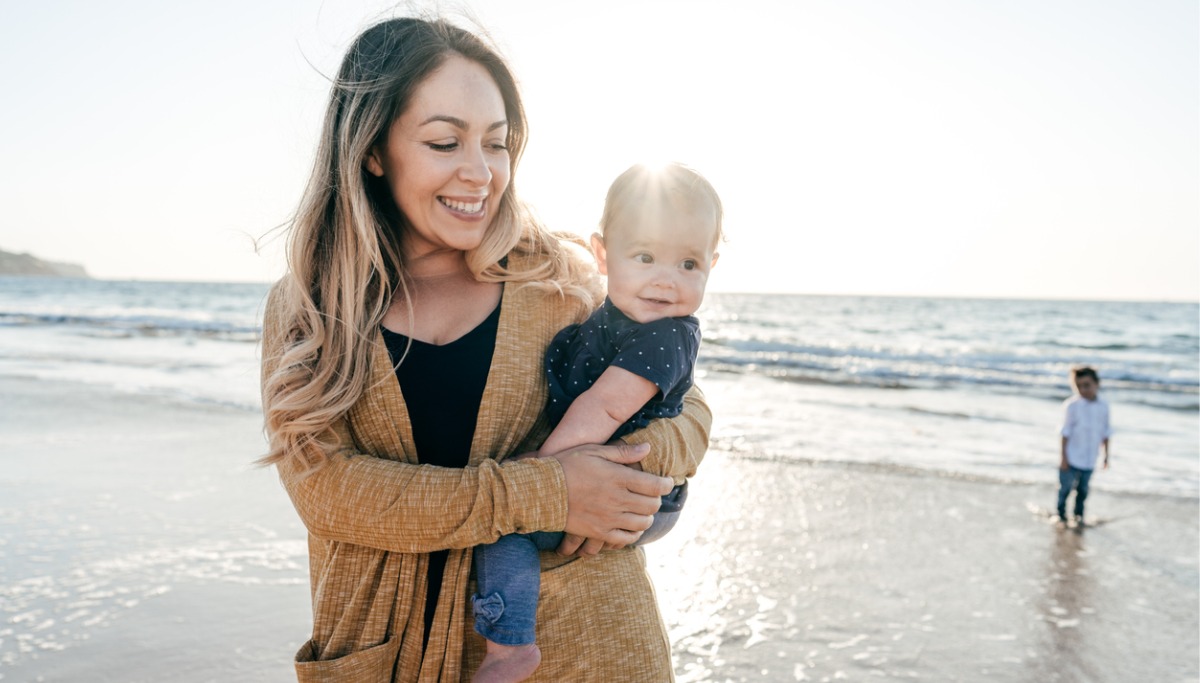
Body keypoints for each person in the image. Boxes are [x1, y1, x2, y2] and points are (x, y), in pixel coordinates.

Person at [258, 14, 711, 683]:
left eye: (496, 145)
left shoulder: (560, 279)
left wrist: (620, 479)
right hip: (390, 655)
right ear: (373, 150)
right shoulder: (311, 308)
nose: (480, 173)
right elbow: (328, 492)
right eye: (445, 142)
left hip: (589, 648)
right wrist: (549, 490)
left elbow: (691, 414)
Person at [471, 162, 722, 682]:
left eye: (689, 264)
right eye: (646, 256)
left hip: (641, 495)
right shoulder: (612, 315)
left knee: (505, 532)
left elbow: (603, 408)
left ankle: (509, 645)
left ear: (711, 266)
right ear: (602, 254)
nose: (666, 280)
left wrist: (542, 477)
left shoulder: (665, 336)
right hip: (615, 475)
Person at [1057, 365, 1111, 524]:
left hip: (1090, 458)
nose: (1082, 389)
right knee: (1065, 489)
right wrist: (1063, 458)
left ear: (1097, 383)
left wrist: (1106, 456)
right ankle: (1060, 517)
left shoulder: (1104, 406)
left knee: (1083, 491)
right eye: (1078, 386)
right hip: (1071, 456)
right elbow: (1064, 433)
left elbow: (1106, 433)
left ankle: (1078, 518)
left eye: (1086, 385)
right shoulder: (1072, 405)